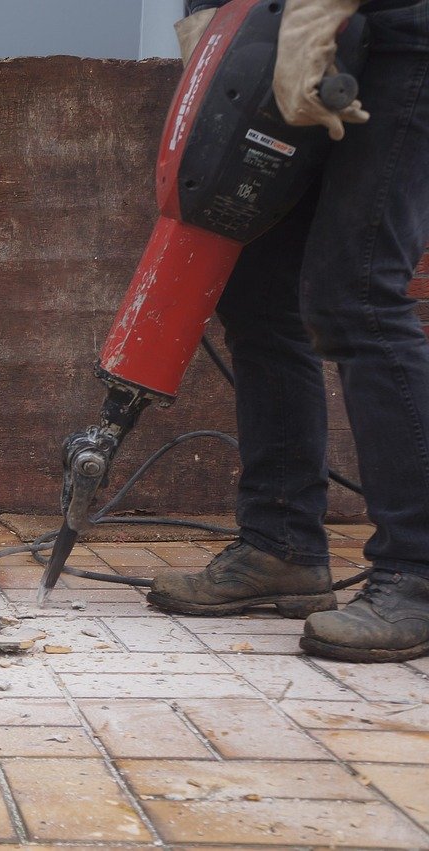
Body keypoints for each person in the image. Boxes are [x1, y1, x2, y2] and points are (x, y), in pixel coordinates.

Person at [146, 0, 429, 663]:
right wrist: (217, 34)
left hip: (405, 33)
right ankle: (282, 547)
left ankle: (416, 571)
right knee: (257, 291)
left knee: (355, 293)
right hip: (288, 31)